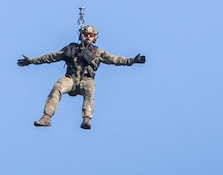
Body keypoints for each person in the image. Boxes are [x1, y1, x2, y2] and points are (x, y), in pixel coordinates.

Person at [17, 25, 145, 130]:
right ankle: (46, 117)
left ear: (95, 38)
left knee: (89, 91)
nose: (88, 37)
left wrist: (132, 61)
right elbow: (51, 57)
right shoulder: (71, 49)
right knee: (57, 86)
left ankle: (86, 119)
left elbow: (115, 60)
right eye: (85, 34)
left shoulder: (98, 53)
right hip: (71, 79)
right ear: (81, 35)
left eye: (91, 35)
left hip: (86, 80)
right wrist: (32, 61)